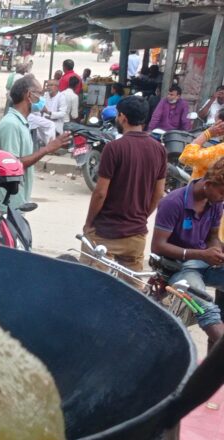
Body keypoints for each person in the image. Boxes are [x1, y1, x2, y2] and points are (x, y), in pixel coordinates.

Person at [82, 96, 167, 272]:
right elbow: (159, 193)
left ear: (122, 117)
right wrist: (142, 217)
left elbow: (100, 193)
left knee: (91, 282)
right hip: (136, 235)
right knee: (130, 285)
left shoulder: (114, 148)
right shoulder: (159, 149)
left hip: (105, 232)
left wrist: (89, 223)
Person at [151, 158, 224, 349]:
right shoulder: (172, 202)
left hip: (203, 261)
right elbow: (158, 246)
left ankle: (214, 359)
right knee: (207, 310)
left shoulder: (215, 202)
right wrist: (202, 255)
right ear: (208, 184)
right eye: (222, 193)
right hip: (178, 267)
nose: (223, 198)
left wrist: (216, 250)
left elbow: (212, 237)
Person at [0, 75, 70, 209]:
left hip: (16, 202)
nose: (42, 99)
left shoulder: (21, 122)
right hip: (7, 205)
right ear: (29, 95)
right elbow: (12, 165)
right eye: (39, 94)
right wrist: (46, 149)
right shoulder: (11, 124)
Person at [179, 111, 224, 179]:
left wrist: (207, 134)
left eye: (215, 124)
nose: (212, 126)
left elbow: (185, 157)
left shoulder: (221, 149)